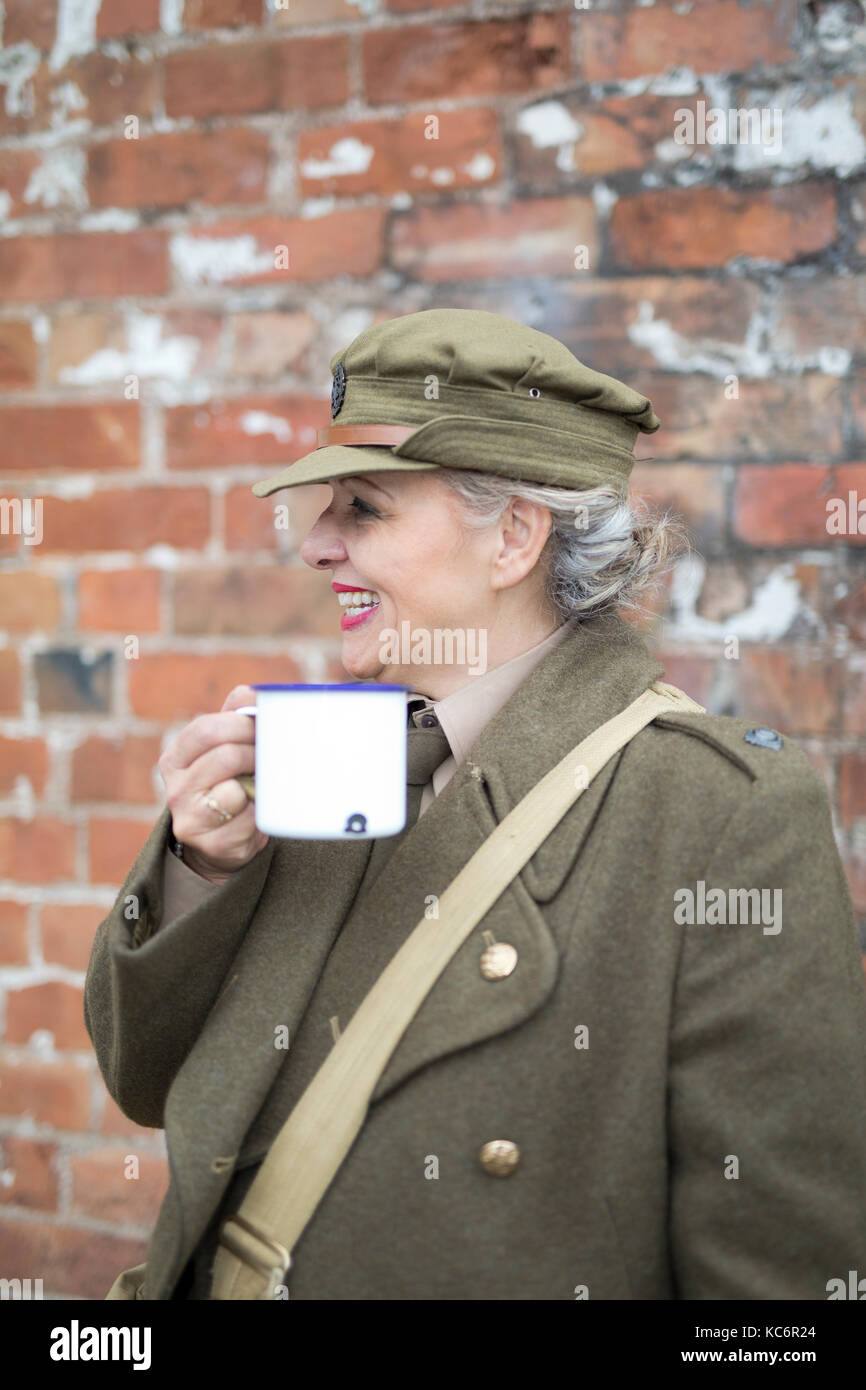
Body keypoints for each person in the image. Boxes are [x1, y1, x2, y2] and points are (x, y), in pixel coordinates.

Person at [85, 308, 866, 1300]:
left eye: (363, 509)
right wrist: (196, 873)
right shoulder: (324, 759)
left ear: (511, 536)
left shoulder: (717, 811)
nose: (316, 546)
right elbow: (143, 1080)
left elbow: (776, 1288)